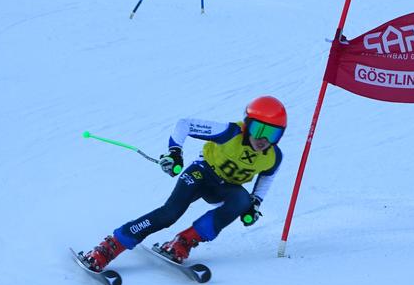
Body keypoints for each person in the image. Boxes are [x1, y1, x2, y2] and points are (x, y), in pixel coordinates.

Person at [82, 96, 287, 271]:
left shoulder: (273, 157)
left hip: (226, 187)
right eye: (259, 129)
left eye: (272, 134)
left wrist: (256, 202)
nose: (263, 139)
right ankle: (111, 246)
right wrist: (175, 153)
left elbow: (267, 176)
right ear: (247, 125)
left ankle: (183, 242)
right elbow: (185, 124)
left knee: (242, 200)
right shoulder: (230, 133)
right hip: (202, 174)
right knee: (169, 214)